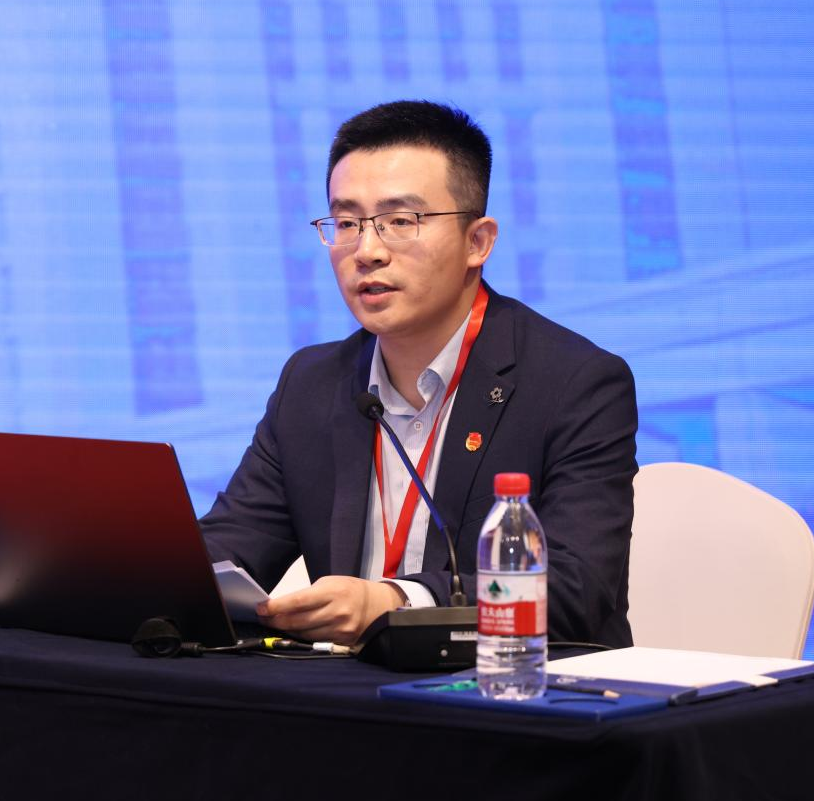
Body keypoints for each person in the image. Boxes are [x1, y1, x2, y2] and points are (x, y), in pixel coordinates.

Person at [198, 100, 637, 647]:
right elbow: (230, 550)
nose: (367, 251)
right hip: (346, 689)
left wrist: (397, 602)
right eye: (347, 223)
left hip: (511, 687)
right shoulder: (310, 383)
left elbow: (576, 590)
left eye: (401, 222)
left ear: (478, 242)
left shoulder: (575, 383)